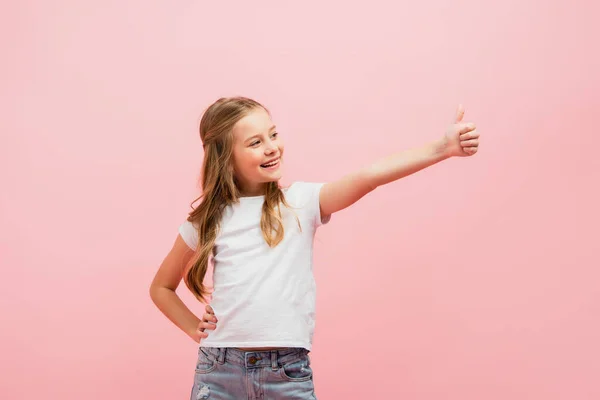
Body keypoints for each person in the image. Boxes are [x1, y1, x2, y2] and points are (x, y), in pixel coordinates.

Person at [149, 96, 480, 400]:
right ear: (226, 157)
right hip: (219, 371)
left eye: (273, 135)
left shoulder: (300, 202)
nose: (271, 148)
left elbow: (369, 176)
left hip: (288, 372)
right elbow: (161, 287)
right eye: (255, 142)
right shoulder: (209, 220)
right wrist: (194, 329)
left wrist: (442, 148)